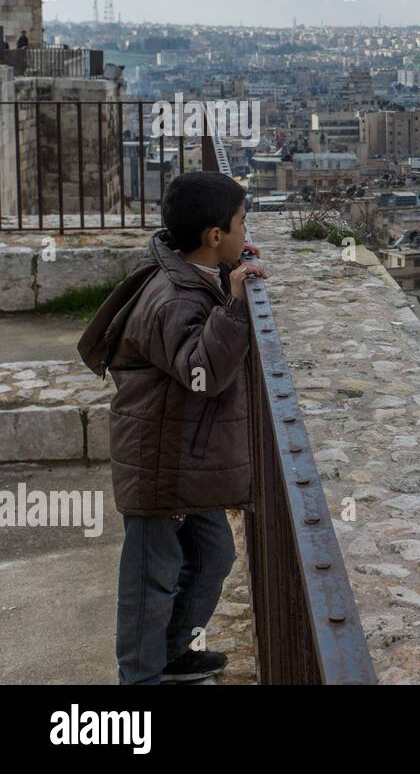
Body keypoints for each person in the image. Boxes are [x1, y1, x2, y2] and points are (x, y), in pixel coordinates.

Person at [78, 172, 268, 685]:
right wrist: (233, 308)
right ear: (213, 236)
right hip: (161, 461)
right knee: (150, 577)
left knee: (213, 555)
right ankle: (140, 679)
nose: (244, 231)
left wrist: (228, 272)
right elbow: (202, 373)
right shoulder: (175, 298)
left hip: (185, 455)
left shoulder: (190, 274)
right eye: (239, 223)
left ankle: (173, 652)